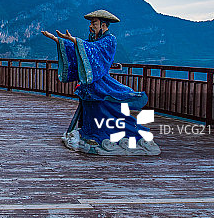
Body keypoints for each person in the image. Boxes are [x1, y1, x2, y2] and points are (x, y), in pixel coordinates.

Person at [41, 10, 160, 155]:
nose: (91, 26)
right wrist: (57, 39)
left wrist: (74, 40)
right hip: (90, 85)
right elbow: (82, 49)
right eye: (91, 23)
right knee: (90, 108)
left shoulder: (109, 39)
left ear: (103, 25)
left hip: (100, 82)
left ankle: (112, 135)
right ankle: (91, 134)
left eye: (94, 23)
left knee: (104, 109)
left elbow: (93, 50)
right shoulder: (94, 40)